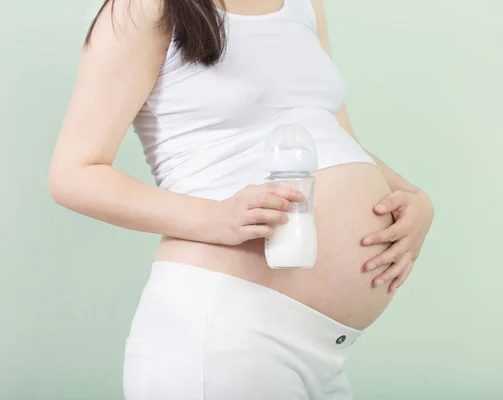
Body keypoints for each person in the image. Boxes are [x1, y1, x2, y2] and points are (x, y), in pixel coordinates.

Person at [49, 0, 434, 398]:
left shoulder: (304, 4)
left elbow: (326, 134)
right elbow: (75, 173)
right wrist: (215, 217)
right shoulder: (146, 7)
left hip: (326, 353)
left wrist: (411, 195)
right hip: (223, 338)